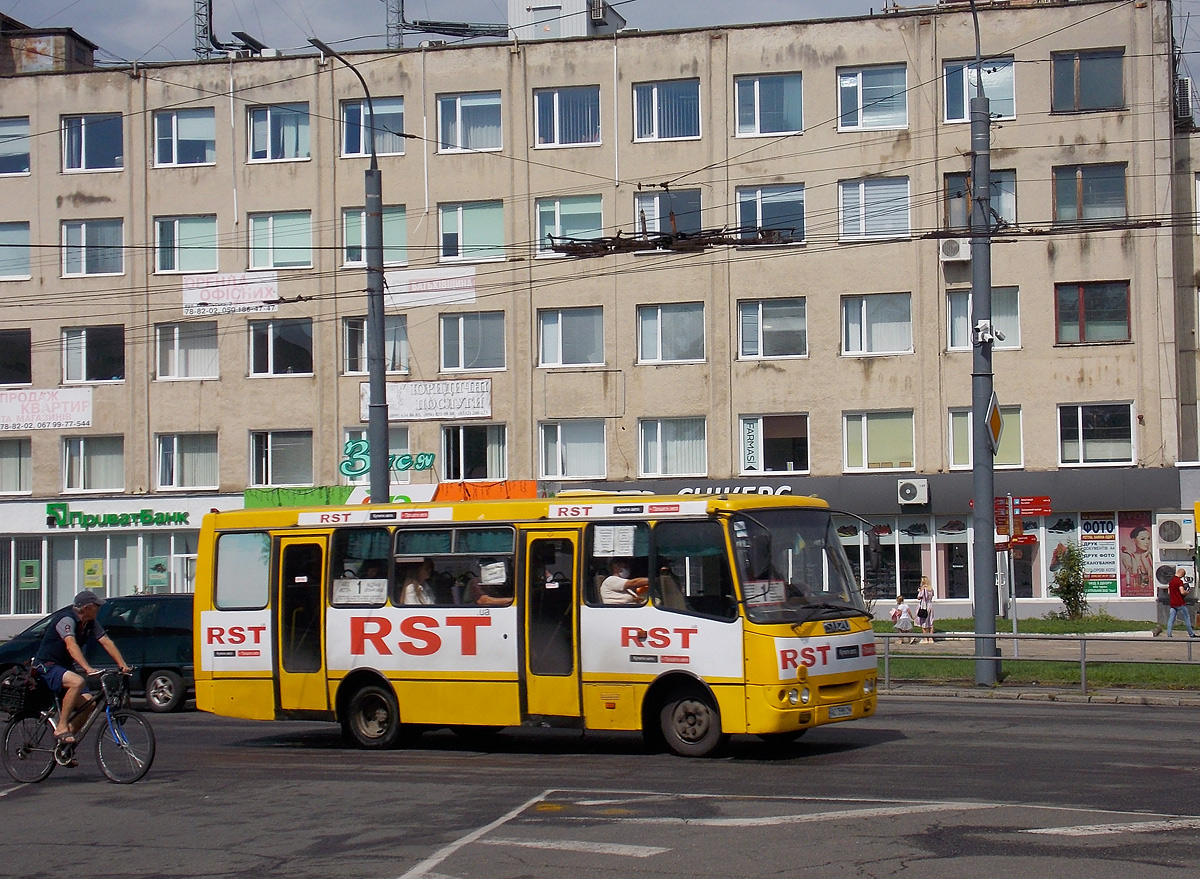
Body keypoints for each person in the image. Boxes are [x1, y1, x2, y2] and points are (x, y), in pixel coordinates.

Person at [32, 590, 131, 747]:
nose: (99, 609)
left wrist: (122, 664)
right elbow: (71, 645)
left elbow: (106, 641)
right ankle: (61, 727)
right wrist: (87, 668)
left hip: (64, 667)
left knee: (89, 704)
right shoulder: (66, 620)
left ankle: (63, 746)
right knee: (77, 682)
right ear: (86, 607)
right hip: (47, 666)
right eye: (96, 606)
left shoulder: (90, 623)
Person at [1120, 526, 1154, 595]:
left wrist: (1144, 559)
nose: (1147, 542)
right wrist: (1133, 556)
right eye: (1143, 539)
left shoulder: (1150, 555)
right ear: (1134, 540)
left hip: (1149, 591)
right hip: (1132, 591)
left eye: (1148, 539)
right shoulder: (1128, 556)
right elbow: (1134, 573)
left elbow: (1152, 575)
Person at [1165, 568, 1197, 638]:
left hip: (1172, 603)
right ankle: (1191, 634)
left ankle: (1169, 634)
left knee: (1171, 619)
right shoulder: (1179, 582)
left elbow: (1169, 592)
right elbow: (1182, 592)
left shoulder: (1171, 581)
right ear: (1182, 574)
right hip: (1180, 603)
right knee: (1186, 618)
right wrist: (1187, 592)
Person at [916, 576, 935, 643]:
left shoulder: (923, 589)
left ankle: (925, 638)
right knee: (931, 622)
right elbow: (932, 596)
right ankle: (931, 638)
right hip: (930, 606)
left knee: (923, 622)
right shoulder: (931, 589)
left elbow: (919, 597)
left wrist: (920, 591)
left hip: (924, 606)